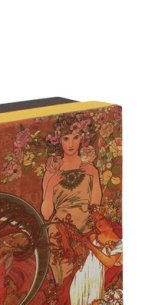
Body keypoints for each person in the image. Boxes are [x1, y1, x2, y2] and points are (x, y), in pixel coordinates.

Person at [41, 115, 102, 286]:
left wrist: (95, 176)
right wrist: (50, 186)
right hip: (60, 230)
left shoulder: (89, 168)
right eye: (66, 138)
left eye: (75, 137)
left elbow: (95, 205)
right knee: (66, 280)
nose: (71, 144)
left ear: (82, 139)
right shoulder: (52, 171)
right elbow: (46, 214)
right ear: (58, 141)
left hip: (86, 226)